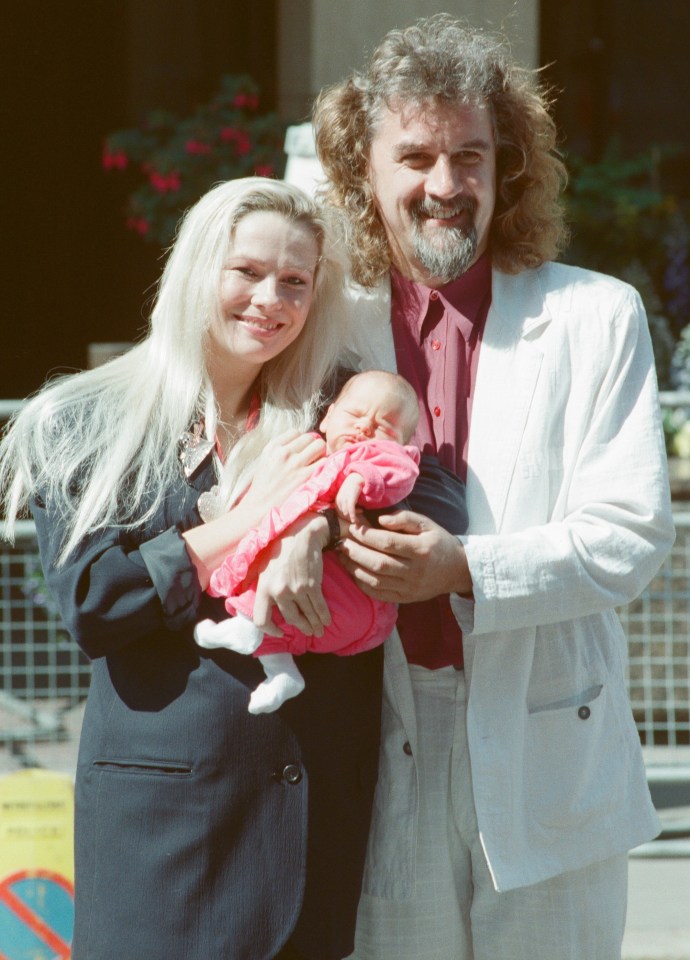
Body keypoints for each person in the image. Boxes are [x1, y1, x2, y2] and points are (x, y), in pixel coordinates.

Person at [309, 14, 676, 960]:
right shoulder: (322, 326)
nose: (443, 186)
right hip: (384, 747)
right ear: (364, 168)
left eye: (469, 156)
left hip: (551, 742)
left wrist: (462, 568)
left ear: (505, 163)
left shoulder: (596, 315)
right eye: (416, 156)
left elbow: (630, 537)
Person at [0, 178, 385, 960]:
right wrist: (245, 525)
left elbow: (423, 491)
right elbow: (94, 602)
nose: (268, 299)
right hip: (160, 842)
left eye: (294, 282)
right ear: (196, 270)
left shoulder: (337, 409)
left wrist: (308, 528)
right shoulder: (81, 420)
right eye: (246, 271)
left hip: (311, 823)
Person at [194, 369, 422, 714]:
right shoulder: (309, 455)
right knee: (274, 595)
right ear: (328, 417)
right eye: (355, 415)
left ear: (403, 443)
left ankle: (246, 626)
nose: (365, 429)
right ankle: (282, 674)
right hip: (323, 610)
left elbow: (397, 471)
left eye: (384, 429)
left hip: (352, 598)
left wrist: (361, 478)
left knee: (274, 594)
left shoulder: (377, 460)